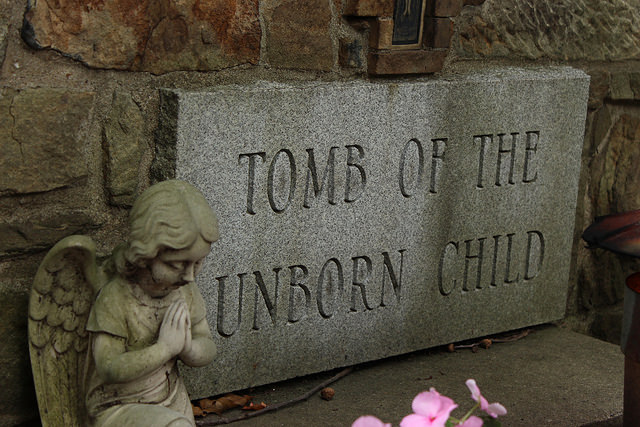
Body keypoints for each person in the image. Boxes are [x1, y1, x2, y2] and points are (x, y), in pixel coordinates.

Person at [85, 180, 218, 426]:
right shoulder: (117, 297)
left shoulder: (185, 290)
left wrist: (188, 348)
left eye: (198, 263)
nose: (190, 276)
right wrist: (164, 349)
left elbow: (207, 343)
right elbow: (108, 367)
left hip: (171, 398)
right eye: (176, 265)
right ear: (145, 255)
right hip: (120, 407)